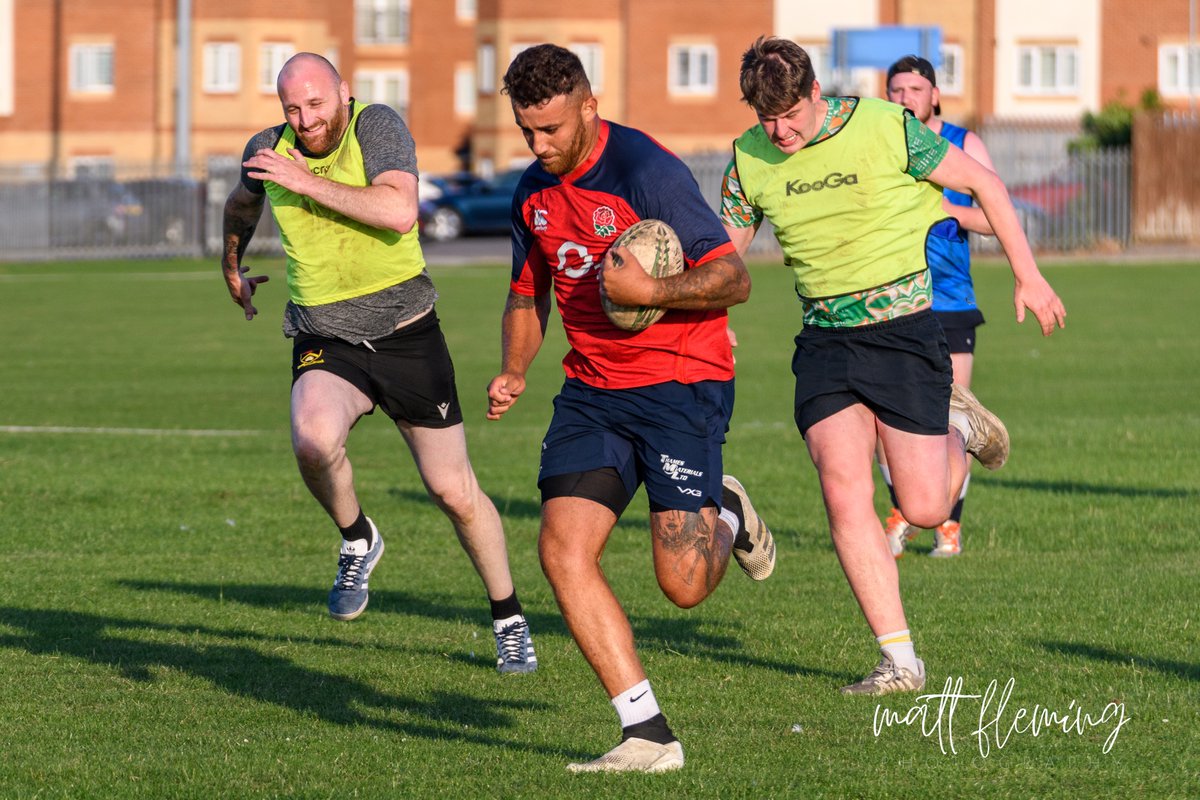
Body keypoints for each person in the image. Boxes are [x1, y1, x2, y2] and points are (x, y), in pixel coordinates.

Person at [720, 37, 1065, 696]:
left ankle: (958, 428)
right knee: (844, 491)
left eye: (790, 114)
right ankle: (900, 662)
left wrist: (1028, 275)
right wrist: (712, 318)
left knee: (926, 507)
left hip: (905, 335)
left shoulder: (884, 125)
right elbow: (726, 252)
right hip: (825, 342)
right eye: (766, 118)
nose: (780, 130)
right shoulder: (749, 159)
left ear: (815, 92)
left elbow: (984, 182)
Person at [486, 43, 776, 773]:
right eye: (526, 130)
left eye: (550, 129)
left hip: (681, 382)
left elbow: (732, 277)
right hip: (592, 392)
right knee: (561, 549)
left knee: (681, 586)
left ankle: (729, 512)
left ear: (589, 105)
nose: (538, 145)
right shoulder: (532, 193)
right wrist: (514, 368)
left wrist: (650, 294)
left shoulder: (646, 171)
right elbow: (527, 294)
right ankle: (646, 734)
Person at [219, 52, 536, 674]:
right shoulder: (268, 148)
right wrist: (231, 264)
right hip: (324, 336)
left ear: (342, 92)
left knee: (453, 490)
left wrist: (304, 180)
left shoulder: (377, 126)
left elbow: (397, 210)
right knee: (312, 438)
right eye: (292, 108)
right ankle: (358, 536)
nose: (305, 119)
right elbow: (241, 203)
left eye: (315, 104)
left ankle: (509, 616)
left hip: (406, 334)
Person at [879, 54, 1001, 558]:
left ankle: (948, 524)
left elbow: (995, 217)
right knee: (883, 421)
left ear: (934, 95)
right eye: (896, 90)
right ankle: (902, 514)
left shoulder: (964, 143)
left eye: (914, 89)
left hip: (950, 300)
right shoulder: (883, 142)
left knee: (954, 418)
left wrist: (944, 207)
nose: (904, 98)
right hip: (887, 299)